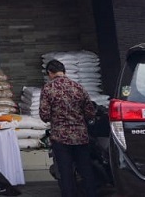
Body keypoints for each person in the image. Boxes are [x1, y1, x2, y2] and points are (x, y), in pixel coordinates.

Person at [39, 59, 97, 197]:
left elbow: (44, 115)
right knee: (86, 170)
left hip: (60, 138)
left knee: (65, 173)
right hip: (81, 136)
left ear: (50, 73)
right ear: (64, 71)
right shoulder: (78, 87)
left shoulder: (48, 89)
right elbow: (90, 112)